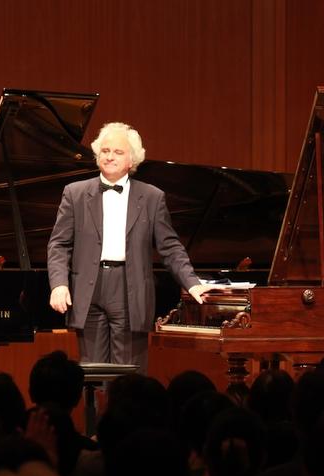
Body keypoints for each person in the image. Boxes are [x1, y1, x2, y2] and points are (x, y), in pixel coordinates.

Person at [47, 122, 213, 372]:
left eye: (118, 152)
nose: (110, 156)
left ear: (131, 160)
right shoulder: (74, 193)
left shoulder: (152, 197)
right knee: (92, 373)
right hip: (88, 289)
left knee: (130, 374)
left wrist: (191, 282)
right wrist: (59, 284)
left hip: (129, 289)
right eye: (105, 150)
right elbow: (59, 244)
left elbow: (170, 247)